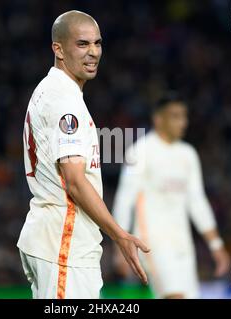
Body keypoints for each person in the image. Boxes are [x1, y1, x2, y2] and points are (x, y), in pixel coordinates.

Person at [17, 10, 150, 299]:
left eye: (97, 43)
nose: (93, 53)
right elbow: (75, 181)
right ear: (58, 49)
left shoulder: (51, 90)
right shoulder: (66, 101)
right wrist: (120, 235)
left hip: (56, 243)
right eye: (82, 44)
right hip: (63, 245)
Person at [112, 92, 231, 299]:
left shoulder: (188, 154)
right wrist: (119, 247)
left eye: (184, 116)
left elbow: (197, 202)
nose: (183, 122)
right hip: (152, 243)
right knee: (175, 296)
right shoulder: (140, 152)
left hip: (183, 245)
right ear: (158, 119)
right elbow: (124, 201)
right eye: (175, 116)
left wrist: (216, 245)